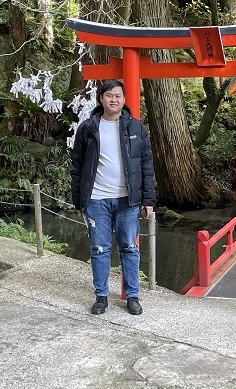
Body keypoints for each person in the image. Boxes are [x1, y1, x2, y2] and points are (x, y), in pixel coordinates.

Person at [71, 79, 155, 316]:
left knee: (130, 247)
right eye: (109, 95)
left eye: (118, 95)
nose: (114, 99)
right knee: (99, 248)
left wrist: (148, 200)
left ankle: (133, 296)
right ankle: (101, 296)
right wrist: (79, 201)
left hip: (127, 200)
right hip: (96, 199)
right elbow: (77, 167)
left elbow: (146, 166)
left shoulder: (136, 128)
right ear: (101, 98)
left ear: (124, 99)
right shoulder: (88, 128)